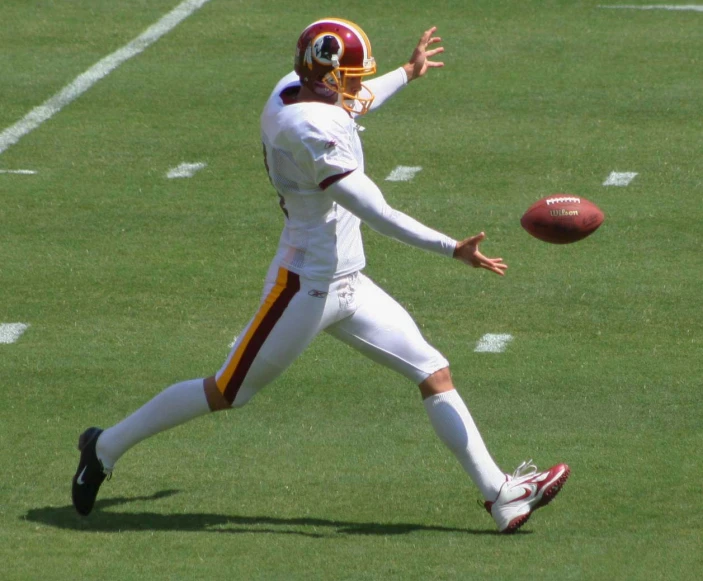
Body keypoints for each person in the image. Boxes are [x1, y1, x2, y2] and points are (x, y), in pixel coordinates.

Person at [72, 18, 570, 533]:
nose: (355, 85)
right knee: (227, 391)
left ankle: (501, 495)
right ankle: (104, 446)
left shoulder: (298, 90)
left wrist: (408, 72)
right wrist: (451, 248)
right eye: (349, 77)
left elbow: (358, 99)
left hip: (349, 280)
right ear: (325, 78)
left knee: (432, 371)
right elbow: (378, 212)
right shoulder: (308, 129)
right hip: (304, 286)